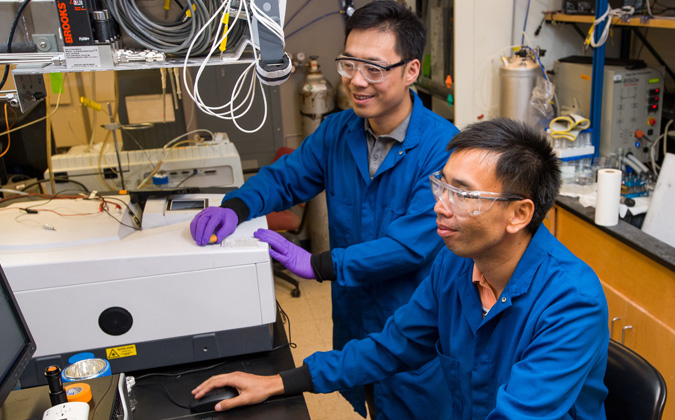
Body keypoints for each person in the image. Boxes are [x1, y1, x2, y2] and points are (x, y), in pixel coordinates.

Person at [192, 118, 610, 419]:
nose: (440, 206)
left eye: (462, 194)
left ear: (519, 214)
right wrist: (282, 382)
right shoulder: (456, 265)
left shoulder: (571, 302)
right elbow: (392, 346)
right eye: (441, 186)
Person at [188, 2, 458, 419]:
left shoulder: (444, 150)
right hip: (355, 316)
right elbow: (285, 179)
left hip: (413, 325)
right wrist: (238, 206)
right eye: (349, 64)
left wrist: (319, 264)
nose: (356, 81)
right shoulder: (337, 132)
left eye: (374, 68)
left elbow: (410, 246)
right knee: (369, 399)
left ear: (410, 71)